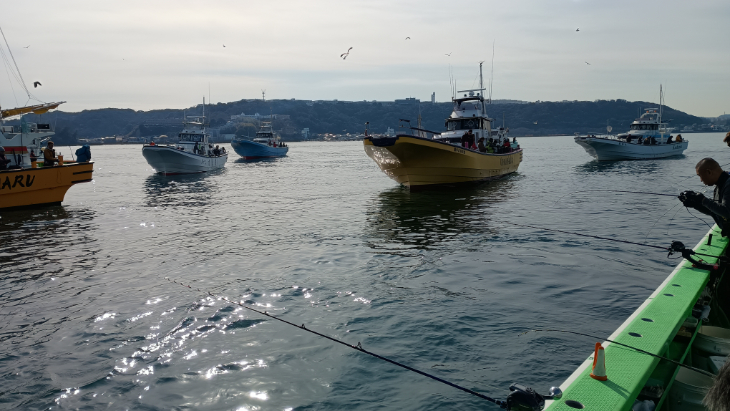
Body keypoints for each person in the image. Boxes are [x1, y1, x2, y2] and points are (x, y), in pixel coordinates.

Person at [679, 158, 730, 236]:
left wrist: (703, 200)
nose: (701, 180)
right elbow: (715, 212)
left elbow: (727, 212)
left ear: (709, 172)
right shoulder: (720, 185)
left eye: (700, 176)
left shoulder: (728, 185)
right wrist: (695, 204)